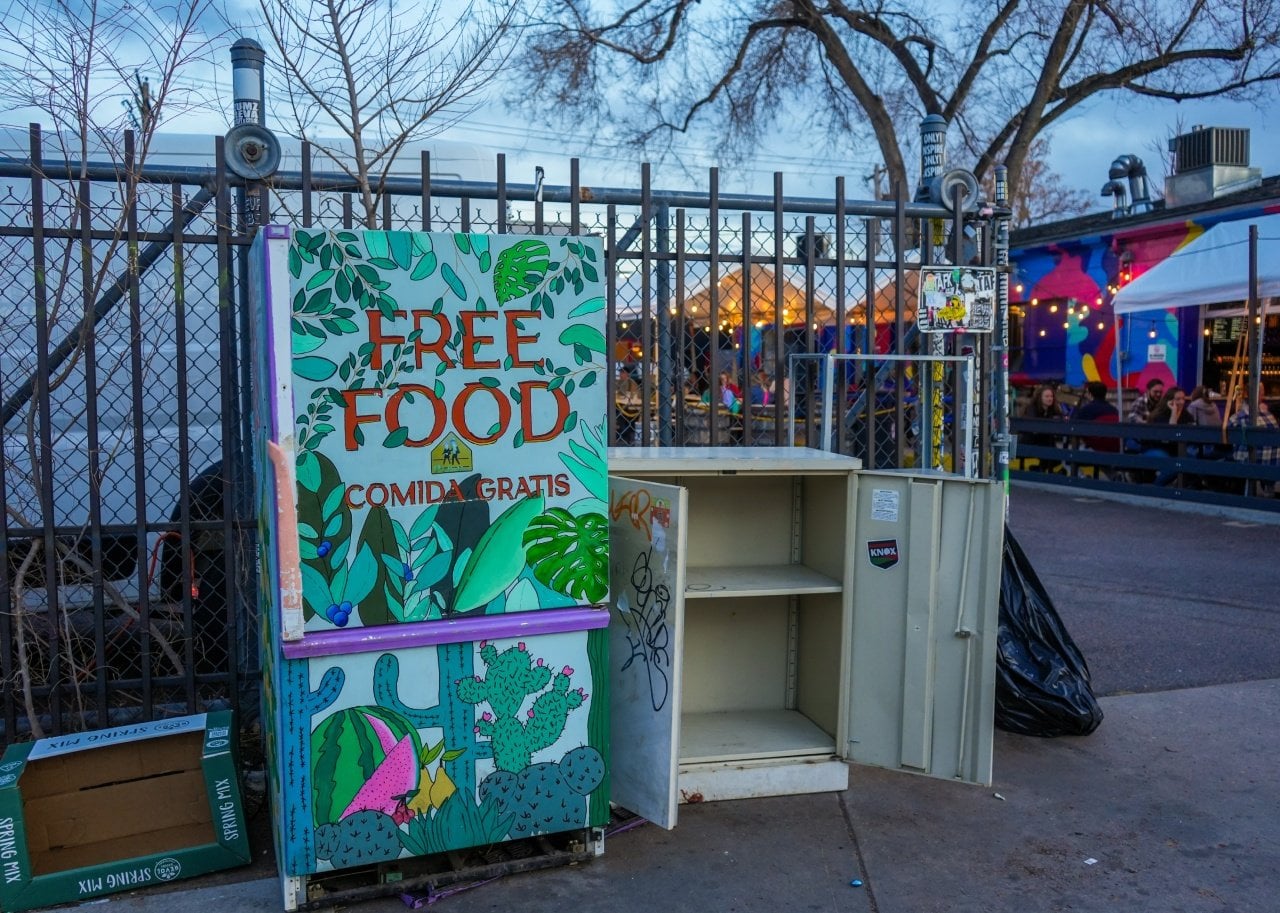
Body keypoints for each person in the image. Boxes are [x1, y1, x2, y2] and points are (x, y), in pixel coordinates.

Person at [1227, 389, 1280, 496]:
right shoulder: (1268, 415)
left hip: (1248, 458)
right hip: (1273, 460)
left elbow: (1228, 433)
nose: (1263, 395)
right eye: (1261, 392)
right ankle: (1268, 489)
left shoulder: (1238, 417)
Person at [1021, 384, 1067, 471]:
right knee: (1050, 446)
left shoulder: (1053, 409)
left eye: (1051, 396)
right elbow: (1033, 427)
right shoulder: (1032, 408)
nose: (1050, 398)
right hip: (1031, 440)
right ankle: (1041, 469)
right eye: (1047, 396)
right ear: (1040, 397)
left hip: (1045, 439)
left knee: (1053, 448)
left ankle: (1039, 468)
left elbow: (1061, 419)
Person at [1070, 381, 1120, 455]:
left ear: (1090, 394)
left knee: (1071, 454)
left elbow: (1073, 426)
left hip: (1095, 450)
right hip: (1114, 450)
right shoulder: (1114, 410)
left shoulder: (1087, 409)